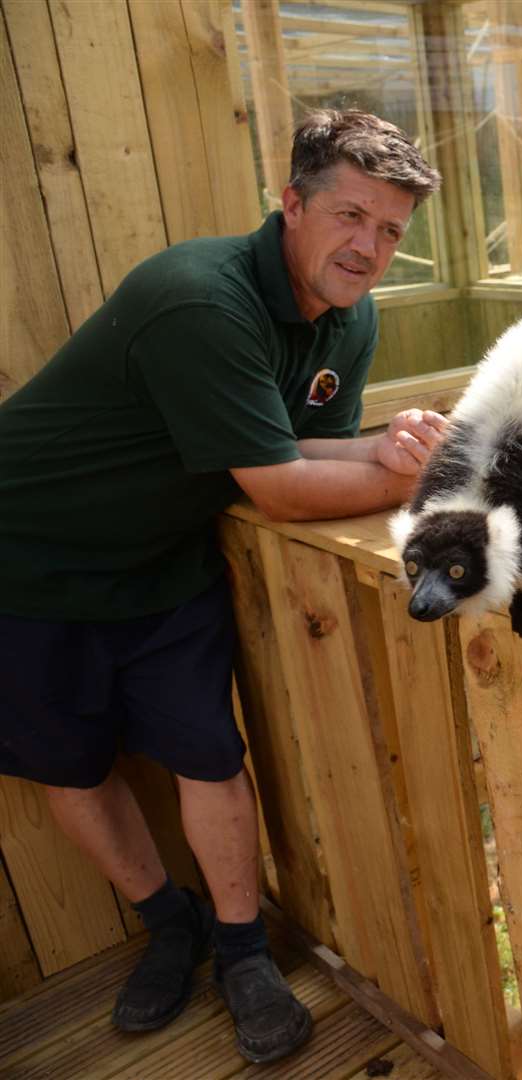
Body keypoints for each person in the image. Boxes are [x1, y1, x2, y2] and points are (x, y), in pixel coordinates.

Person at [0, 110, 448, 1064]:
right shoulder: (202, 299)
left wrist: (381, 446)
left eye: (392, 230)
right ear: (290, 205)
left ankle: (244, 952)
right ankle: (169, 927)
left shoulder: (348, 316)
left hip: (167, 563)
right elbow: (282, 488)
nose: (369, 248)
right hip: (25, 562)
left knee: (209, 753)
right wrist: (410, 479)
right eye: (349, 215)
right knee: (71, 770)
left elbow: (290, 443)